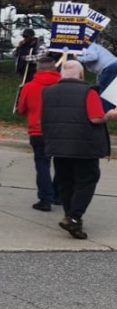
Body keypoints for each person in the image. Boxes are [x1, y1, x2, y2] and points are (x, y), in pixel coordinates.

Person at [41, 59, 117, 240]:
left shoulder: (48, 92)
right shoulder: (88, 91)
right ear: (81, 75)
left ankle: (70, 216)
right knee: (87, 180)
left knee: (66, 182)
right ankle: (74, 217)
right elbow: (95, 118)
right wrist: (110, 116)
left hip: (57, 145)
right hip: (84, 146)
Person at [15, 53, 61, 212]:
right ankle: (58, 194)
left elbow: (21, 109)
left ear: (38, 69)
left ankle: (45, 198)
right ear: (55, 68)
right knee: (61, 164)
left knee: (42, 165)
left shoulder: (29, 86)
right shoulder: (62, 85)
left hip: (38, 130)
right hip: (60, 130)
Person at [76, 41, 117, 111]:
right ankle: (111, 110)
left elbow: (93, 56)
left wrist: (78, 58)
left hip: (109, 67)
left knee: (103, 90)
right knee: (111, 90)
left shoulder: (88, 46)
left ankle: (105, 111)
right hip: (110, 66)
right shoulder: (91, 46)